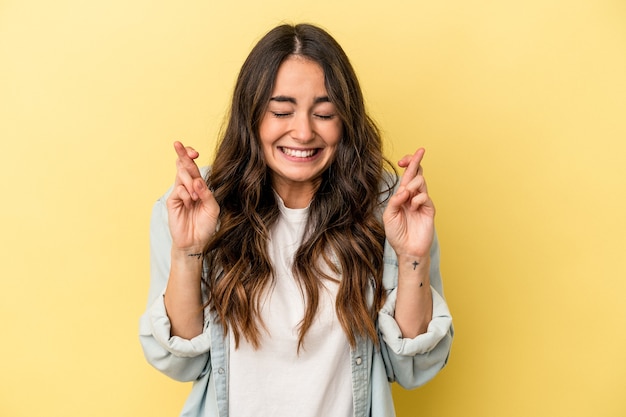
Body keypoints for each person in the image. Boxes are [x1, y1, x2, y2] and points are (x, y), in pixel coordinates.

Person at [139, 23, 453, 417]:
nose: (303, 132)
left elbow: (413, 368)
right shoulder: (194, 207)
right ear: (251, 116)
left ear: (346, 121)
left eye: (324, 113)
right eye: (281, 111)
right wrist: (188, 250)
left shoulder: (390, 209)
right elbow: (181, 362)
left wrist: (413, 257)